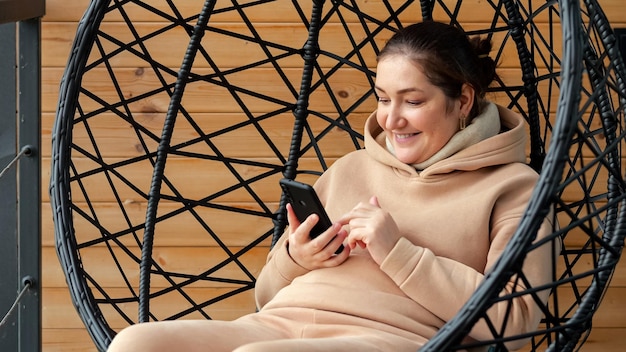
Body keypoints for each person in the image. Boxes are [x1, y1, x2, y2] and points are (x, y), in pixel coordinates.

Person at [107, 20, 555, 352]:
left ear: (463, 100)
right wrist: (295, 258)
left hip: (390, 339)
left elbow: (514, 322)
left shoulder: (512, 188)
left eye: (413, 101)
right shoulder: (351, 168)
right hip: (279, 326)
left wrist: (397, 252)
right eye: (383, 98)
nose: (391, 119)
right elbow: (265, 296)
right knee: (135, 344)